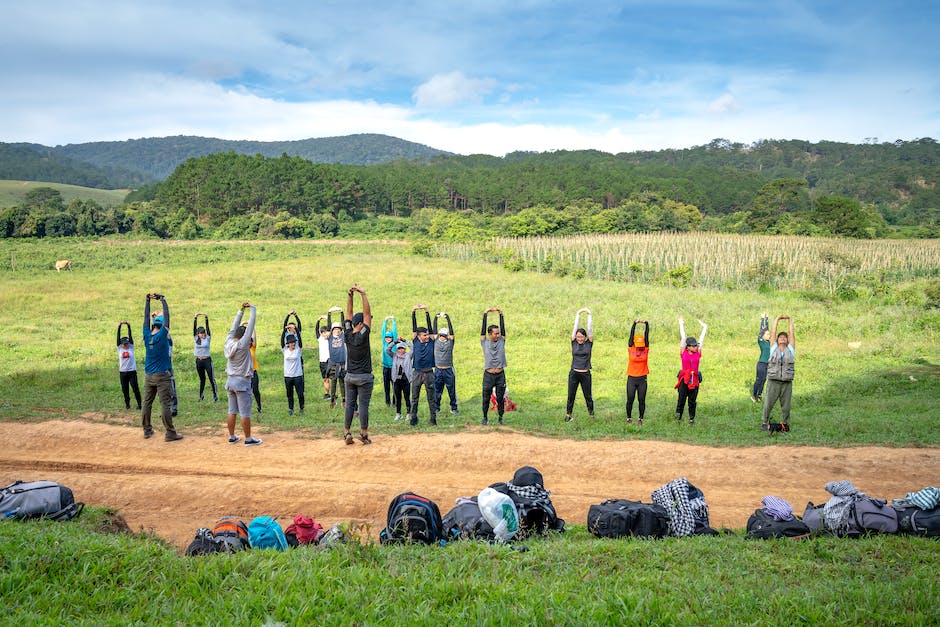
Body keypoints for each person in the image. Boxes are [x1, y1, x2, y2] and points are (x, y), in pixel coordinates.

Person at [141, 293, 182, 441]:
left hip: (148, 375)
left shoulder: (147, 335)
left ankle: (147, 430)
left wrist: (147, 301)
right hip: (162, 375)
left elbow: (145, 319)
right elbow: (168, 319)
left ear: (153, 325)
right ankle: (170, 433)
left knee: (147, 403)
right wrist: (163, 300)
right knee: (165, 403)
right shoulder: (163, 335)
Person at [225, 302, 262, 445]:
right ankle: (248, 439)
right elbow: (251, 325)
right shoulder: (242, 344)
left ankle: (232, 436)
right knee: (245, 412)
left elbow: (232, 328)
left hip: (230, 381)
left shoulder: (228, 342)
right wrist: (252, 308)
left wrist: (240, 311)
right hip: (242, 381)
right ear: (243, 336)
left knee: (232, 411)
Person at [343, 285, 373, 445]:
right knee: (363, 406)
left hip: (350, 377)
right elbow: (367, 314)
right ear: (360, 324)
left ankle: (347, 433)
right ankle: (363, 433)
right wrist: (363, 293)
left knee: (350, 405)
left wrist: (350, 295)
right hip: (364, 377)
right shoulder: (363, 335)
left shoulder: (347, 333)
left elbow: (348, 313)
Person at [761, 315, 795, 431]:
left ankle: (785, 424)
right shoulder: (773, 348)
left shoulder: (790, 349)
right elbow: (774, 331)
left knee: (786, 406)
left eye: (784, 337)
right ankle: (765, 422)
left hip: (786, 383)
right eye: (780, 337)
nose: (782, 338)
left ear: (787, 341)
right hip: (773, 381)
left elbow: (791, 333)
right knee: (768, 403)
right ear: (777, 340)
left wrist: (790, 320)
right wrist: (777, 319)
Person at [409, 305, 438, 426]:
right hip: (417, 373)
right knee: (414, 397)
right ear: (419, 336)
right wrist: (414, 312)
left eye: (427, 335)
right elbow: (414, 327)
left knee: (431, 398)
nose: (427, 336)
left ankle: (433, 419)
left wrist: (427, 312)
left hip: (429, 373)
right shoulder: (415, 340)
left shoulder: (431, 341)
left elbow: (431, 329)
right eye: (424, 335)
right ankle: (413, 418)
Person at [675, 317, 707, 425]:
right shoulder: (683, 352)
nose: (695, 346)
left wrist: (704, 327)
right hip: (685, 379)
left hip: (694, 379)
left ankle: (691, 418)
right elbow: (683, 337)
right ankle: (678, 417)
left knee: (692, 401)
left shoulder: (698, 353)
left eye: (695, 345)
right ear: (687, 347)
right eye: (693, 345)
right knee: (681, 399)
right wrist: (681, 324)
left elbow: (701, 340)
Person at [565, 308, 594, 422]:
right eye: (578, 337)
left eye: (581, 337)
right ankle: (568, 415)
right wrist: (578, 314)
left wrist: (589, 314)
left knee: (588, 396)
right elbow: (574, 328)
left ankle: (591, 415)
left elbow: (590, 328)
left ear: (585, 337)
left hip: (585, 374)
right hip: (574, 373)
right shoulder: (573, 342)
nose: (579, 339)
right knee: (571, 395)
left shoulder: (589, 343)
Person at [480, 307, 507, 426]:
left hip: (500, 375)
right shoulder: (485, 342)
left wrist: (500, 314)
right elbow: (482, 331)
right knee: (486, 398)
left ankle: (500, 418)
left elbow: (504, 330)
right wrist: (485, 314)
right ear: (490, 334)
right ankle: (485, 417)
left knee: (500, 398)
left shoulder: (501, 341)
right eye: (496, 333)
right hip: (489, 375)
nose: (498, 335)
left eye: (499, 333)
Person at [433, 311, 459, 416]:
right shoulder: (436, 341)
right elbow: (433, 330)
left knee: (451, 391)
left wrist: (447, 318)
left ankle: (454, 408)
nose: (442, 337)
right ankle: (436, 408)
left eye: (444, 335)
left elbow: (452, 333)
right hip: (438, 369)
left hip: (448, 369)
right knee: (437, 391)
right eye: (441, 335)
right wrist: (436, 318)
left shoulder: (450, 342)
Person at [626, 318, 650, 425]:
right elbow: (631, 336)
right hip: (631, 377)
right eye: (638, 346)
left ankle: (641, 418)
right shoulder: (631, 348)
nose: (640, 348)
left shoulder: (645, 348)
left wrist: (646, 324)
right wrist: (634, 324)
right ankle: (629, 417)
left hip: (642, 378)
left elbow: (647, 335)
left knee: (641, 399)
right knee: (630, 398)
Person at [193, 313, 219, 402]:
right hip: (199, 361)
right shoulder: (196, 339)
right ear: (198, 334)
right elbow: (194, 329)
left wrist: (206, 318)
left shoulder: (207, 338)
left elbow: (208, 328)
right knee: (202, 379)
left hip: (207, 360)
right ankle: (201, 396)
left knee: (211, 378)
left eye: (203, 332)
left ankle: (215, 396)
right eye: (201, 333)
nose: (203, 334)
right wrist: (195, 318)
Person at [386, 338, 413, 421]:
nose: (400, 350)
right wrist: (394, 342)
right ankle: (398, 413)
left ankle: (409, 413)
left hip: (406, 380)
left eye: (402, 348)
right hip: (396, 380)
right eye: (399, 348)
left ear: (405, 349)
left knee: (407, 397)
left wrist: (405, 341)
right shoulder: (394, 356)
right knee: (397, 397)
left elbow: (413, 347)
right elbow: (387, 349)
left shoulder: (408, 356)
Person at [116, 321, 141, 410]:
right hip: (123, 372)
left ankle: (139, 405)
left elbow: (130, 336)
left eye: (127, 343)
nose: (126, 345)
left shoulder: (131, 347)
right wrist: (119, 327)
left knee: (135, 389)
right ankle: (127, 405)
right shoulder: (119, 349)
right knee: (125, 390)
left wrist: (129, 326)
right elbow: (118, 338)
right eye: (124, 343)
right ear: (121, 344)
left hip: (132, 372)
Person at [325, 307, 347, 409]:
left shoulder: (343, 336)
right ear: (332, 330)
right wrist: (329, 313)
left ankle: (344, 399)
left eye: (338, 329)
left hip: (342, 362)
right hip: (333, 362)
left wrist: (342, 312)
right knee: (333, 381)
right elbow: (329, 326)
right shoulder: (329, 337)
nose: (337, 330)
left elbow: (344, 325)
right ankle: (333, 399)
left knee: (342, 382)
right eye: (335, 329)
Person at [281, 332, 304, 417]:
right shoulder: (285, 350)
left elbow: (301, 342)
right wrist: (284, 330)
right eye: (291, 342)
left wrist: (296, 329)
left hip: (298, 375)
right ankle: (291, 409)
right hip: (288, 376)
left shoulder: (298, 350)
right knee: (289, 394)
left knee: (300, 394)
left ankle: (301, 408)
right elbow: (281, 341)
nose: (293, 343)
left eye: (294, 342)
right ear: (288, 344)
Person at [752, 313, 771, 403]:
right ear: (763, 336)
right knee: (759, 379)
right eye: (767, 335)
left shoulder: (768, 342)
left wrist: (767, 318)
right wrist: (762, 319)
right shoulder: (761, 341)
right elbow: (762, 331)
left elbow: (767, 329)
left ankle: (759, 394)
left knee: (764, 379)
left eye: (769, 334)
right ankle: (754, 395)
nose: (769, 335)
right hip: (761, 363)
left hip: (768, 363)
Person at [380, 315, 398, 407]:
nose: (387, 338)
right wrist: (385, 321)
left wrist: (393, 320)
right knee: (386, 386)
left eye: (389, 337)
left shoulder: (394, 344)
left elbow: (394, 332)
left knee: (394, 385)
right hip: (385, 367)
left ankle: (395, 402)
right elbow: (383, 332)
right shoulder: (384, 343)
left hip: (393, 368)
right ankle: (388, 402)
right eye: (386, 337)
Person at [316, 315, 331, 400]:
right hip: (322, 361)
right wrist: (318, 320)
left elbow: (330, 327)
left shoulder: (330, 338)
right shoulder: (320, 339)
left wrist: (327, 318)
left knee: (333, 378)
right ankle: (327, 393)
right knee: (325, 379)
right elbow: (316, 330)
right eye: (323, 332)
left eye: (326, 332)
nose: (325, 334)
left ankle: (334, 394)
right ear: (321, 333)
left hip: (330, 360)